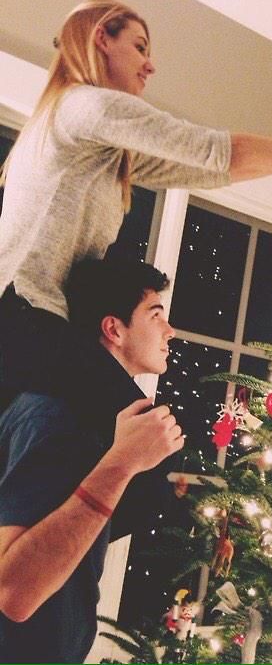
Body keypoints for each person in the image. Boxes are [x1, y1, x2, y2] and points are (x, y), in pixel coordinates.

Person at [0, 0, 272, 406]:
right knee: (132, 425)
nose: (151, 65)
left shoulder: (93, 139)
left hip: (34, 321)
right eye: (140, 47)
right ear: (101, 40)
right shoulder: (85, 105)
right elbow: (218, 151)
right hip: (23, 316)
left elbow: (216, 170)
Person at [0, 258, 184, 664]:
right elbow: (13, 592)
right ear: (114, 328)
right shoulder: (58, 412)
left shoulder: (94, 415)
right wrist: (121, 465)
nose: (170, 331)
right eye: (156, 316)